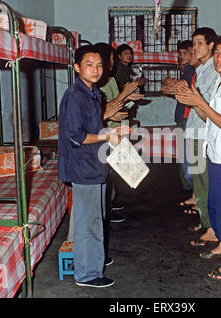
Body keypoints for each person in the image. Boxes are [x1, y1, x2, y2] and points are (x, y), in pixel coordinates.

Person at [176, 35, 221, 280]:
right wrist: (194, 101)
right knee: (216, 206)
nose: (219, 58)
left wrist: (200, 102)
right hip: (217, 154)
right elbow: (210, 119)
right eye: (217, 53)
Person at [58, 45, 130, 288]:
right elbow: (76, 136)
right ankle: (87, 274)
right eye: (89, 64)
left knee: (96, 217)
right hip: (83, 166)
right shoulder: (74, 95)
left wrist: (111, 131)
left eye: (99, 65)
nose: (96, 69)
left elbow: (94, 128)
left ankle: (94, 257)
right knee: (88, 221)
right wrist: (106, 136)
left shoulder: (95, 94)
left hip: (95, 163)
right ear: (77, 67)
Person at [95, 42, 144, 224]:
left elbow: (116, 104)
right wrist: (125, 94)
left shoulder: (111, 80)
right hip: (106, 130)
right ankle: (106, 210)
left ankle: (110, 204)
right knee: (107, 171)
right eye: (112, 58)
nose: (114, 62)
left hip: (116, 128)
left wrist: (128, 98)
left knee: (115, 170)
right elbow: (106, 108)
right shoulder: (98, 84)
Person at [181, 27, 219, 245]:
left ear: (211, 45)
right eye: (194, 43)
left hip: (204, 131)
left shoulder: (213, 70)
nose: (195, 48)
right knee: (199, 179)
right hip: (195, 129)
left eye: (200, 43)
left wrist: (189, 96)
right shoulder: (202, 69)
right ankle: (206, 221)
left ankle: (213, 228)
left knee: (205, 179)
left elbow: (205, 103)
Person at [161, 40, 200, 216]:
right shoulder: (187, 70)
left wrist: (169, 86)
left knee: (190, 159)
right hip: (183, 118)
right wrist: (170, 85)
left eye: (188, 52)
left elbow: (179, 91)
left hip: (189, 118)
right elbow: (174, 89)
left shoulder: (194, 70)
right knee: (186, 156)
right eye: (182, 53)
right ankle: (191, 191)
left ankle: (194, 192)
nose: (185, 56)